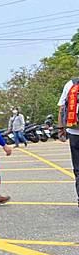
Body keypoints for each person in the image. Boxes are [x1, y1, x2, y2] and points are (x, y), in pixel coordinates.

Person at [57, 73, 79, 207]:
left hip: (74, 132)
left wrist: (61, 129)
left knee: (78, 169)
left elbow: (61, 108)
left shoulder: (71, 84)